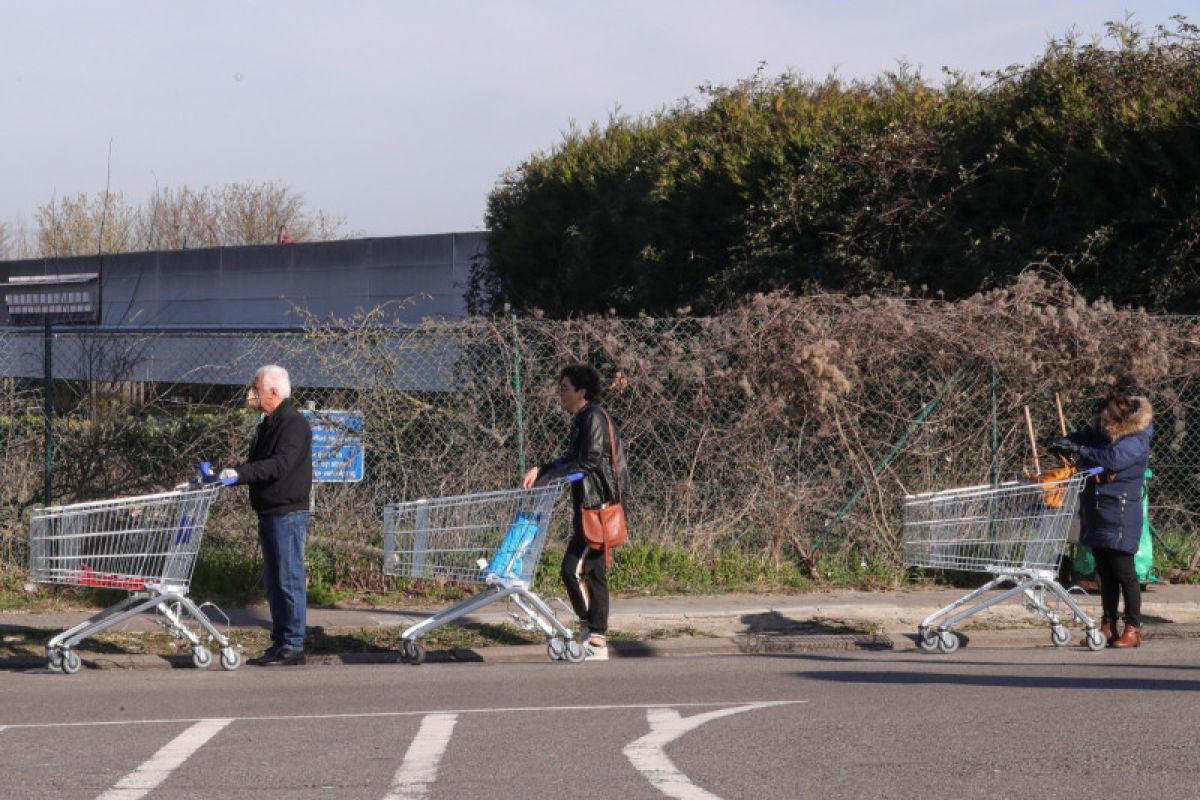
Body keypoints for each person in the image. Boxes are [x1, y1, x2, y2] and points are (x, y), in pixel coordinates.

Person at [521, 364, 629, 661]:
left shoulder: (592, 416)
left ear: (581, 391)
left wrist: (552, 478)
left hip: (598, 507)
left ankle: (594, 637)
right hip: (590, 507)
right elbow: (573, 459)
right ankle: (593, 637)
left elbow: (590, 462)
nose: (560, 393)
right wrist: (542, 469)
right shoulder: (584, 418)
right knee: (588, 571)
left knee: (577, 569)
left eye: (565, 388)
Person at [220, 365, 313, 666]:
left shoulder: (294, 424)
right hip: (270, 512)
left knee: (288, 580)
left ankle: (293, 644)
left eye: (256, 388)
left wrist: (241, 473)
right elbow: (260, 463)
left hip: (287, 514)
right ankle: (281, 640)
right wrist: (236, 473)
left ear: (273, 391)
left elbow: (279, 464)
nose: (252, 394)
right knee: (275, 582)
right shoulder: (269, 423)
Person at [1050, 393, 1154, 648]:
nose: (1104, 422)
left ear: (1122, 420)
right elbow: (1080, 440)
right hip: (1096, 510)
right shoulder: (1100, 434)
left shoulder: (1135, 440)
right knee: (1104, 573)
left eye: (1109, 419)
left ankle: (1133, 627)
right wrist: (1063, 443)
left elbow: (1112, 458)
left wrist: (1081, 450)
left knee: (1124, 572)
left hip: (1119, 513)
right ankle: (1108, 625)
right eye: (1102, 417)